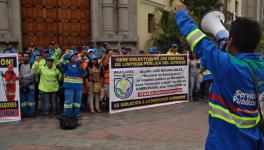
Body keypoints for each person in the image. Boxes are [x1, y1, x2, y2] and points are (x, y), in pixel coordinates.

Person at [175, 3, 264, 150]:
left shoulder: (227, 66)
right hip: (252, 141)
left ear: (231, 41)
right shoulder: (259, 67)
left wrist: (181, 14)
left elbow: (199, 42)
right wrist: (227, 42)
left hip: (223, 143)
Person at [60, 51, 87, 125]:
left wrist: (82, 68)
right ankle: (66, 117)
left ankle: (76, 118)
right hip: (69, 87)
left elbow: (85, 74)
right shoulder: (66, 65)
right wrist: (66, 55)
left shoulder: (79, 66)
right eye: (73, 57)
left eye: (75, 56)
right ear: (70, 58)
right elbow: (61, 61)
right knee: (68, 103)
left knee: (77, 103)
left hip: (78, 87)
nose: (75, 58)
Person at [19, 52, 36, 117]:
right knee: (23, 102)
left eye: (26, 57)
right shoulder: (20, 65)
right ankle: (25, 113)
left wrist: (23, 76)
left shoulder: (32, 64)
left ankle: (31, 113)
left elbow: (32, 74)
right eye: (24, 56)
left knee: (31, 101)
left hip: (30, 86)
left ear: (29, 58)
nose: (25, 58)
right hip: (22, 86)